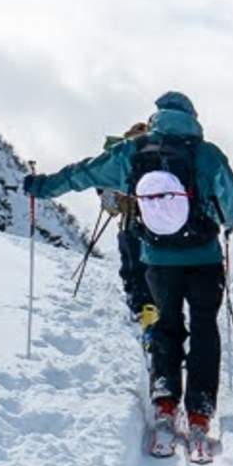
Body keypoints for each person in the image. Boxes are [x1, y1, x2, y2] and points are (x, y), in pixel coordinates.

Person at [24, 92, 233, 443]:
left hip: (157, 259)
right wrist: (229, 223)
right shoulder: (208, 154)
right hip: (204, 259)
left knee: (165, 325)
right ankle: (200, 409)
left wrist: (41, 187)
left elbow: (83, 173)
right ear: (193, 117)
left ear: (157, 116)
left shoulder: (133, 151)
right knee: (205, 328)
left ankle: (165, 399)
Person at [97, 121, 157, 340]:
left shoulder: (123, 152)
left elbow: (106, 189)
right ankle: (155, 307)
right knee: (154, 264)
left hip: (130, 219)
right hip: (159, 220)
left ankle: (141, 308)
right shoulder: (161, 150)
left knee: (132, 264)